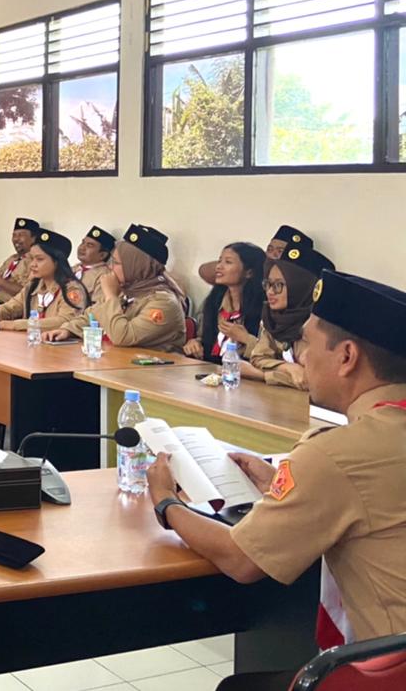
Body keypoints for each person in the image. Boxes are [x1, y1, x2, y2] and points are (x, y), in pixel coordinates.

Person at [146, 269, 406, 691]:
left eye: (306, 342)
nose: (300, 356)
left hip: (387, 672)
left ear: (347, 357)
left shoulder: (337, 453)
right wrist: (282, 487)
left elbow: (241, 560)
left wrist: (165, 502)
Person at [49, 224, 187, 351]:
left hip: (153, 372)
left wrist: (110, 296)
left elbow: (122, 336)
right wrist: (69, 330)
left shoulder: (163, 302)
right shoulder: (128, 290)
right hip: (119, 366)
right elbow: (93, 315)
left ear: (136, 267)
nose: (110, 267)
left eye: (116, 263)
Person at [241, 245, 335, 389]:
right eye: (268, 284)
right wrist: (289, 368)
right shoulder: (274, 318)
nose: (270, 292)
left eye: (278, 285)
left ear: (300, 287)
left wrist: (261, 375)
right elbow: (259, 358)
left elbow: (312, 382)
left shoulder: (320, 327)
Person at [184, 242, 265, 363]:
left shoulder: (264, 307)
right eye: (219, 261)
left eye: (228, 262)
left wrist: (247, 339)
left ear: (249, 272)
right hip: (211, 371)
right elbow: (206, 338)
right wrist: (195, 343)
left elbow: (273, 356)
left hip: (244, 375)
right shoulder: (215, 300)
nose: (218, 267)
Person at [0, 229, 90, 331]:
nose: (32, 264)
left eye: (39, 259)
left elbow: (65, 321)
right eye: (32, 259)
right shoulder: (33, 286)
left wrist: (17, 325)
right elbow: (10, 307)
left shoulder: (72, 289)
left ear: (57, 262)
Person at [198, 225, 314, 285]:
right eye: (270, 249)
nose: (272, 255)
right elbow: (204, 271)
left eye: (279, 251)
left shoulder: (292, 286)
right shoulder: (254, 272)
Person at [0, 217, 38, 305]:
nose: (16, 239)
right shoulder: (12, 259)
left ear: (33, 238)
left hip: (7, 310)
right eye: (14, 235)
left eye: (21, 235)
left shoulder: (35, 263)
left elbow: (27, 293)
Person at [75, 225, 115, 301]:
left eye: (89, 245)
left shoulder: (104, 276)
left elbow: (97, 307)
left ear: (102, 255)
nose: (82, 247)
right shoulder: (72, 269)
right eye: (82, 243)